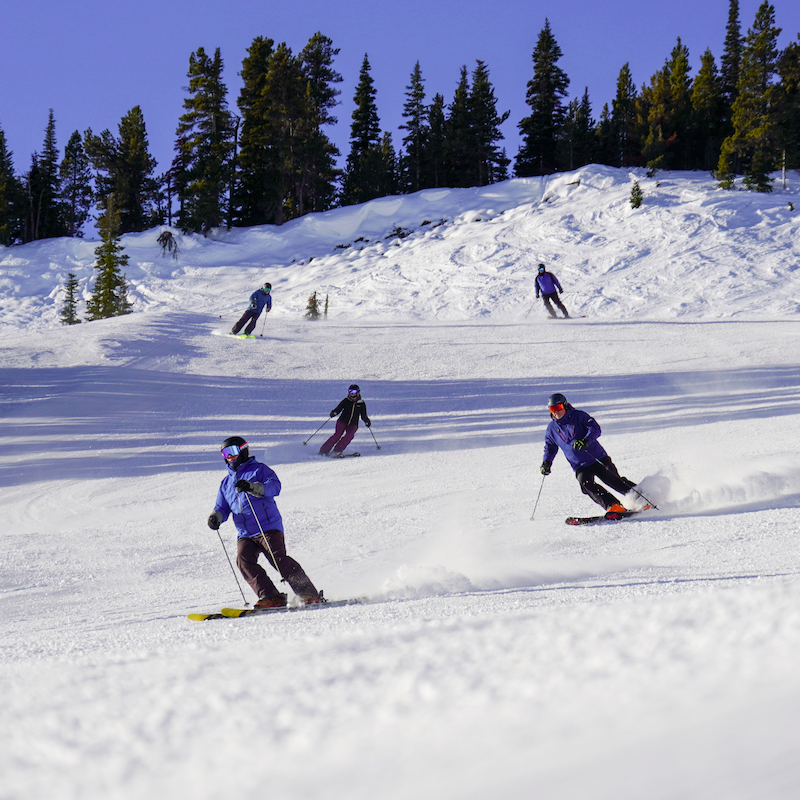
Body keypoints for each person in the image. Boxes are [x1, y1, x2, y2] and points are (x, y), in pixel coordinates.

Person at [207, 436, 322, 608]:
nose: (229, 457)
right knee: (244, 562)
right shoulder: (225, 483)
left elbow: (275, 487)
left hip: (267, 526)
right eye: (225, 453)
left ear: (243, 451)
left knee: (278, 560)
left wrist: (253, 487)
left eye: (232, 452)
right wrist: (216, 517)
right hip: (245, 532)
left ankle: (308, 594)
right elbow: (222, 507)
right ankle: (271, 597)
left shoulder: (259, 470)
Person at [540, 393, 645, 513]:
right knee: (586, 484)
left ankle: (643, 498)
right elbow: (550, 447)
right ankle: (613, 506)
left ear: (564, 405)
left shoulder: (579, 416)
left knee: (613, 480)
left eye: (558, 408)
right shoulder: (551, 429)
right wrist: (547, 462)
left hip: (597, 457)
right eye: (552, 409)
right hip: (579, 465)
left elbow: (595, 428)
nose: (556, 412)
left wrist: (586, 440)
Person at [318, 384, 371, 456]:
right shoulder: (346, 401)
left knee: (349, 435)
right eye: (350, 391)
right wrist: (334, 412)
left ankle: (337, 450)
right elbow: (338, 409)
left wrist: (367, 421)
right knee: (337, 435)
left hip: (353, 423)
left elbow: (363, 415)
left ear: (358, 392)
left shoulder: (361, 404)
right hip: (342, 421)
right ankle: (324, 450)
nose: (352, 393)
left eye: (354, 391)